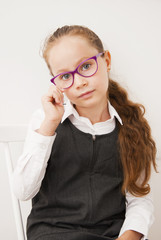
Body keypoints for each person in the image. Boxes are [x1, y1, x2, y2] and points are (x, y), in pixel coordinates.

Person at [13, 25, 157, 240]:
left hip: (111, 234)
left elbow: (139, 198)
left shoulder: (132, 128)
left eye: (86, 66)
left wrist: (130, 236)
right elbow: (23, 191)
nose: (79, 83)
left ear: (106, 61)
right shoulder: (46, 121)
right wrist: (49, 125)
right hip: (52, 233)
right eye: (65, 77)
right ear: (56, 83)